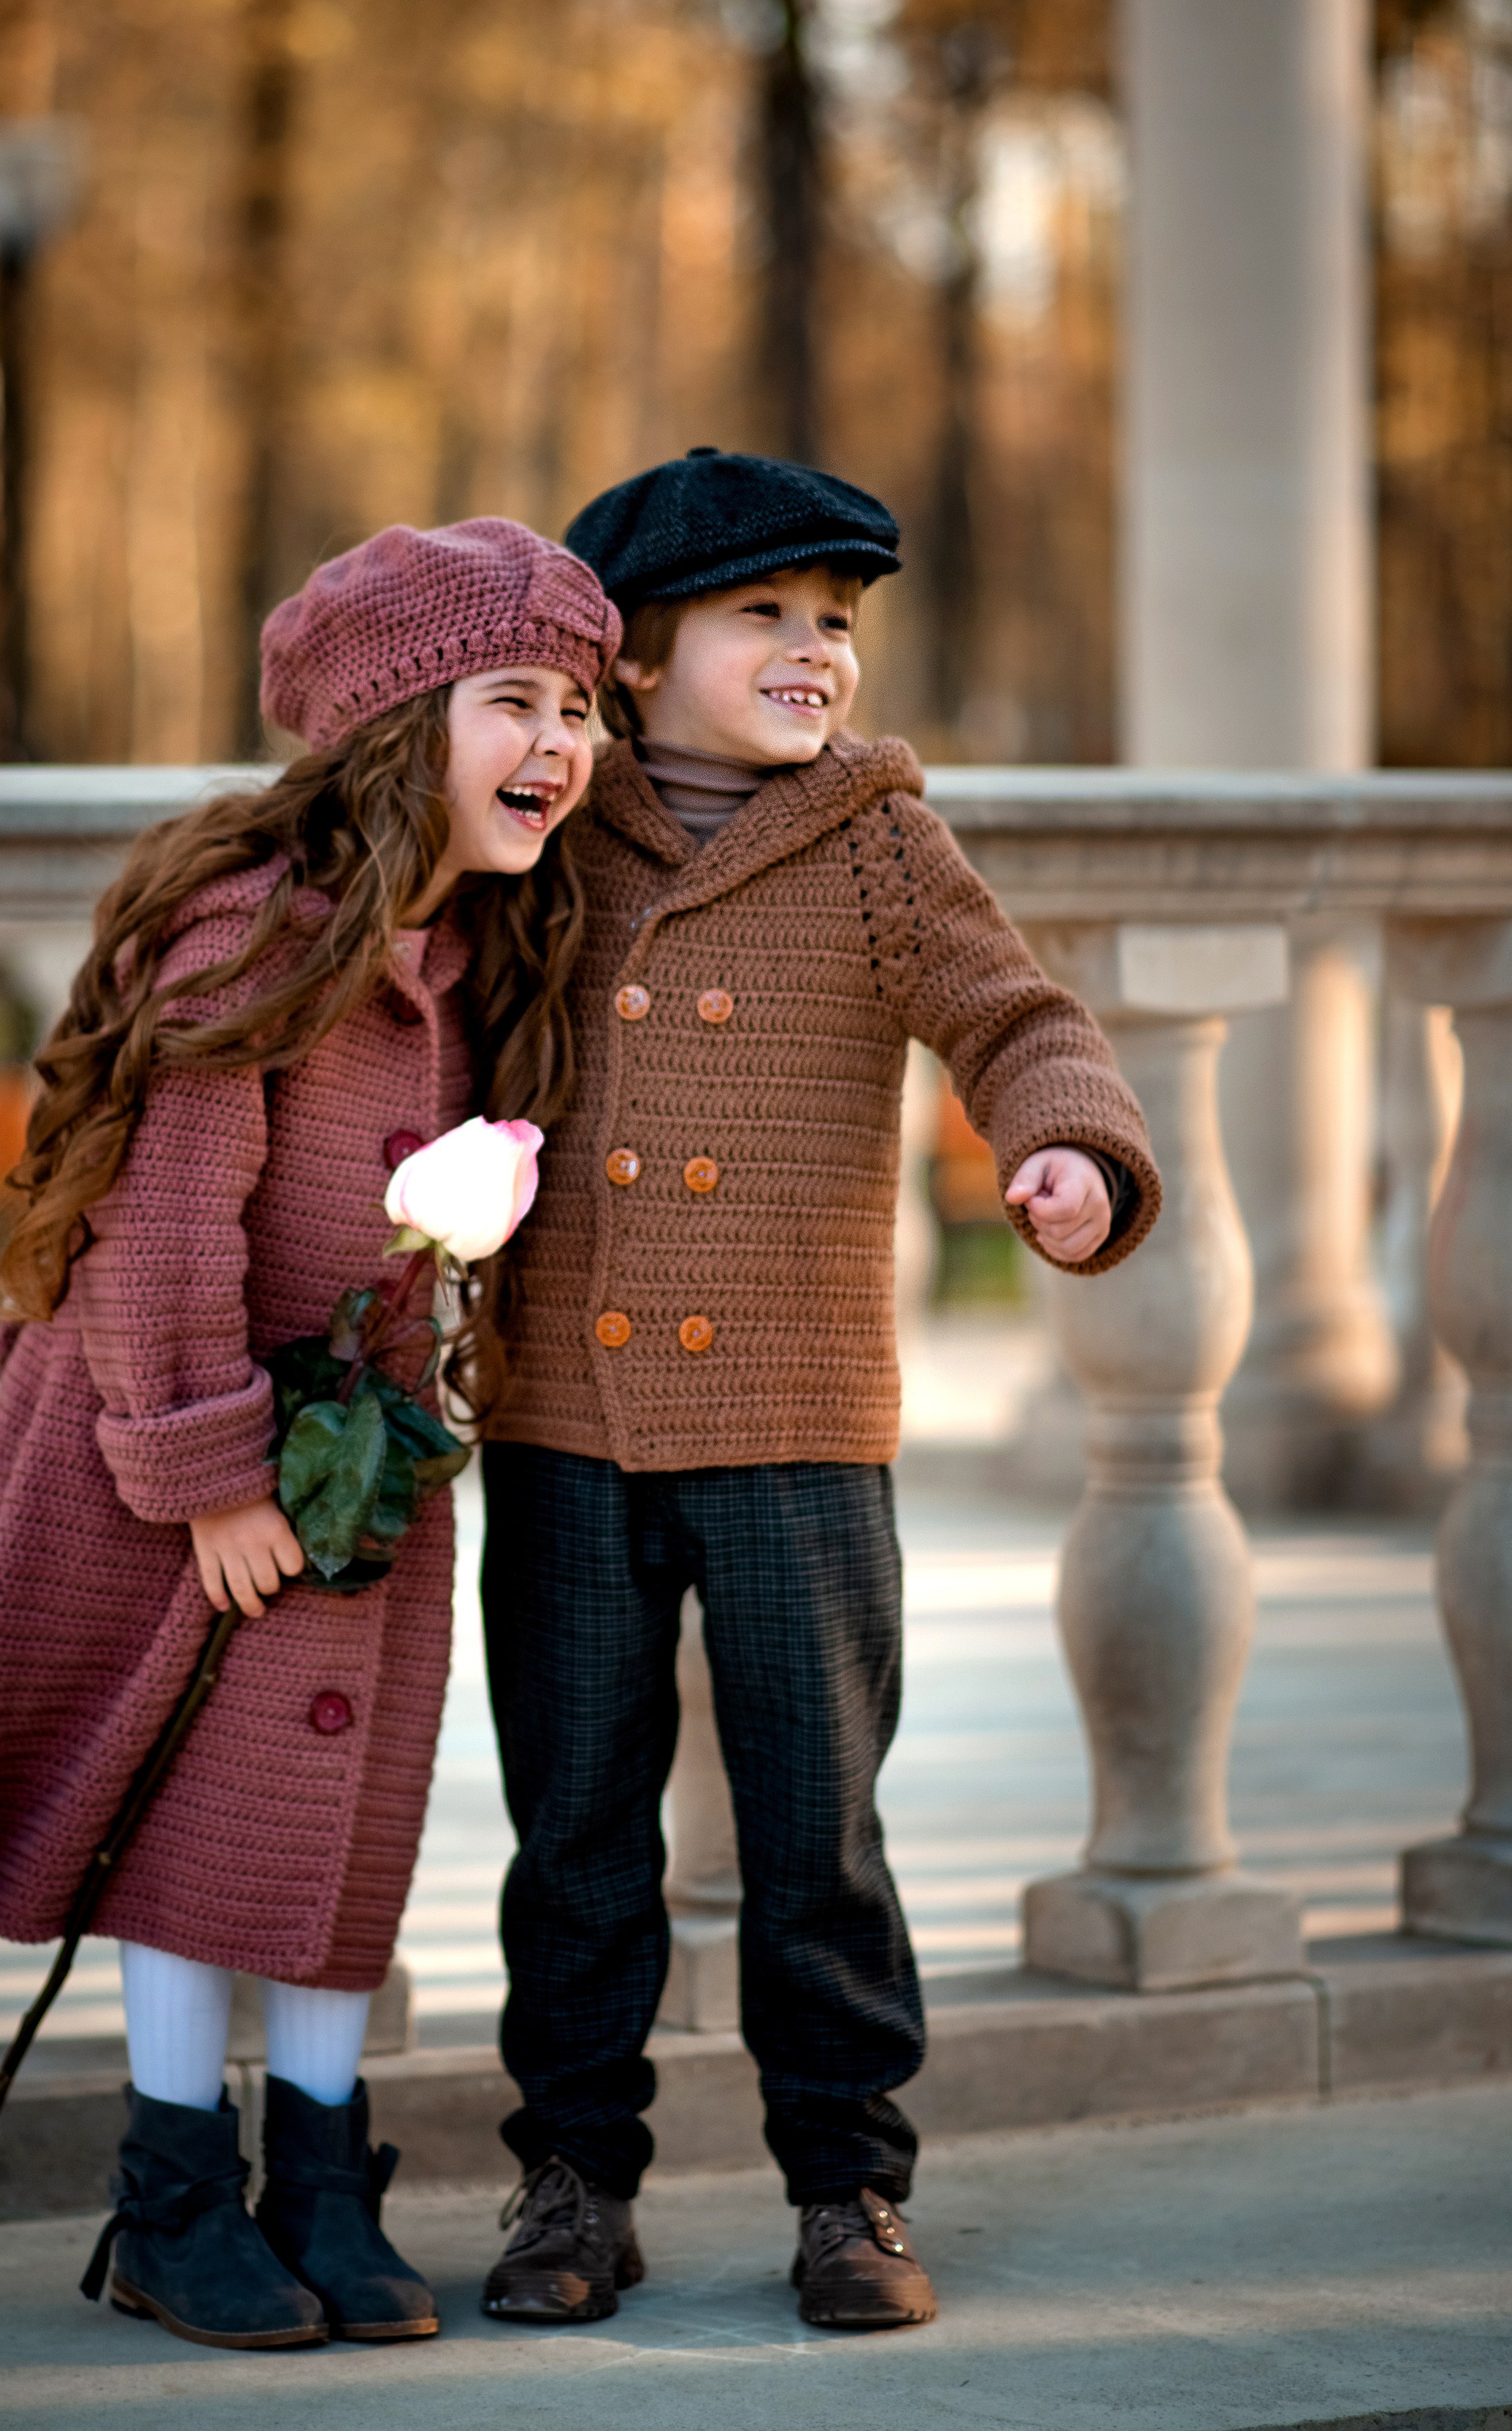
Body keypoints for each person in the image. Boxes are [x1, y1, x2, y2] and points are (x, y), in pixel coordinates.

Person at [0, 517, 619, 2354]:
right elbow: (163, 1211)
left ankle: (325, 2181)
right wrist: (201, 1475)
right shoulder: (260, 925)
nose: (563, 742)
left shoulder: (477, 944)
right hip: (177, 1451)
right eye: (514, 699)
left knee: (338, 1824)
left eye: (582, 706)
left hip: (360, 1462)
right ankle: (171, 2193)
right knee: (190, 1825)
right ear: (393, 721)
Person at [473, 448, 1162, 2334]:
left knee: (815, 1821)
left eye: (836, 621)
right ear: (632, 654)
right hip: (563, 1417)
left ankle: (849, 2177)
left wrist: (1073, 1148)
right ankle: (572, 2171)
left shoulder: (875, 837)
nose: (812, 651)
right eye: (763, 614)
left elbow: (1017, 1013)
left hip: (796, 1417)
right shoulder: (553, 828)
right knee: (579, 1824)